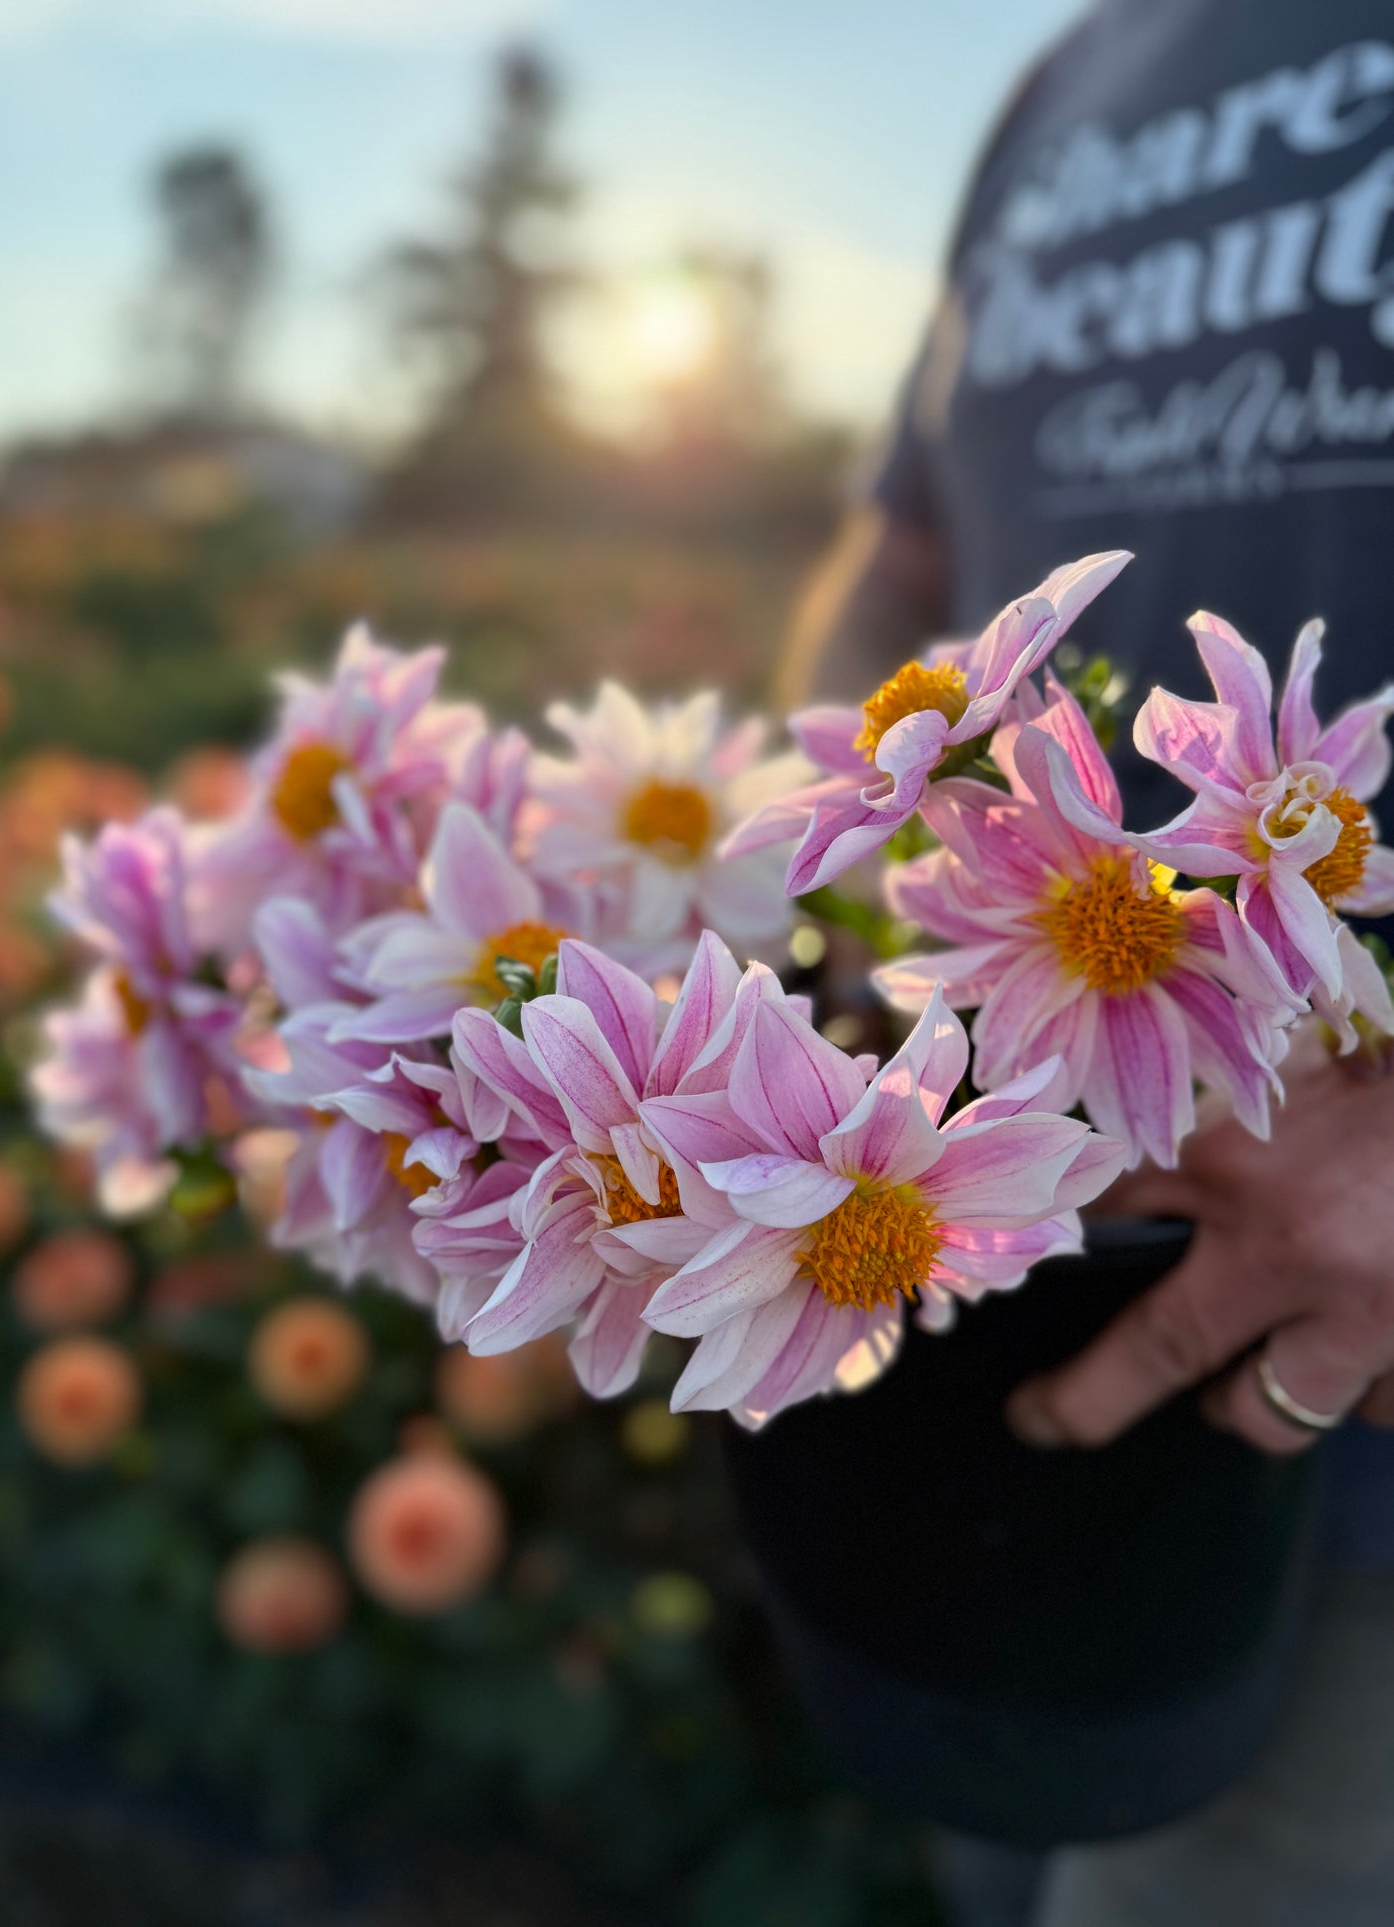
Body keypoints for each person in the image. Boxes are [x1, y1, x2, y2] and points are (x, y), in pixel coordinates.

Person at [786, 2, 1394, 1920]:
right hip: (951, 1297)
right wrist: (752, 917)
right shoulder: (1070, 80)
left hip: (1340, 1397)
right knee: (977, 1844)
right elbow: (898, 567)